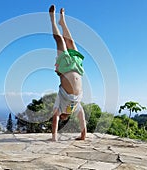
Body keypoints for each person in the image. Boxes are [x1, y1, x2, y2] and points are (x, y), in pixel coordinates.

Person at [49, 5, 87, 141]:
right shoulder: (75, 109)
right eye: (64, 117)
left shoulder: (59, 107)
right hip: (77, 68)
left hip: (65, 69)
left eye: (62, 117)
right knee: (70, 42)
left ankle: (54, 20)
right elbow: (82, 119)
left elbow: (55, 118)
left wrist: (54, 137)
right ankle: (63, 22)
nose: (63, 117)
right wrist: (83, 136)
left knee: (60, 41)